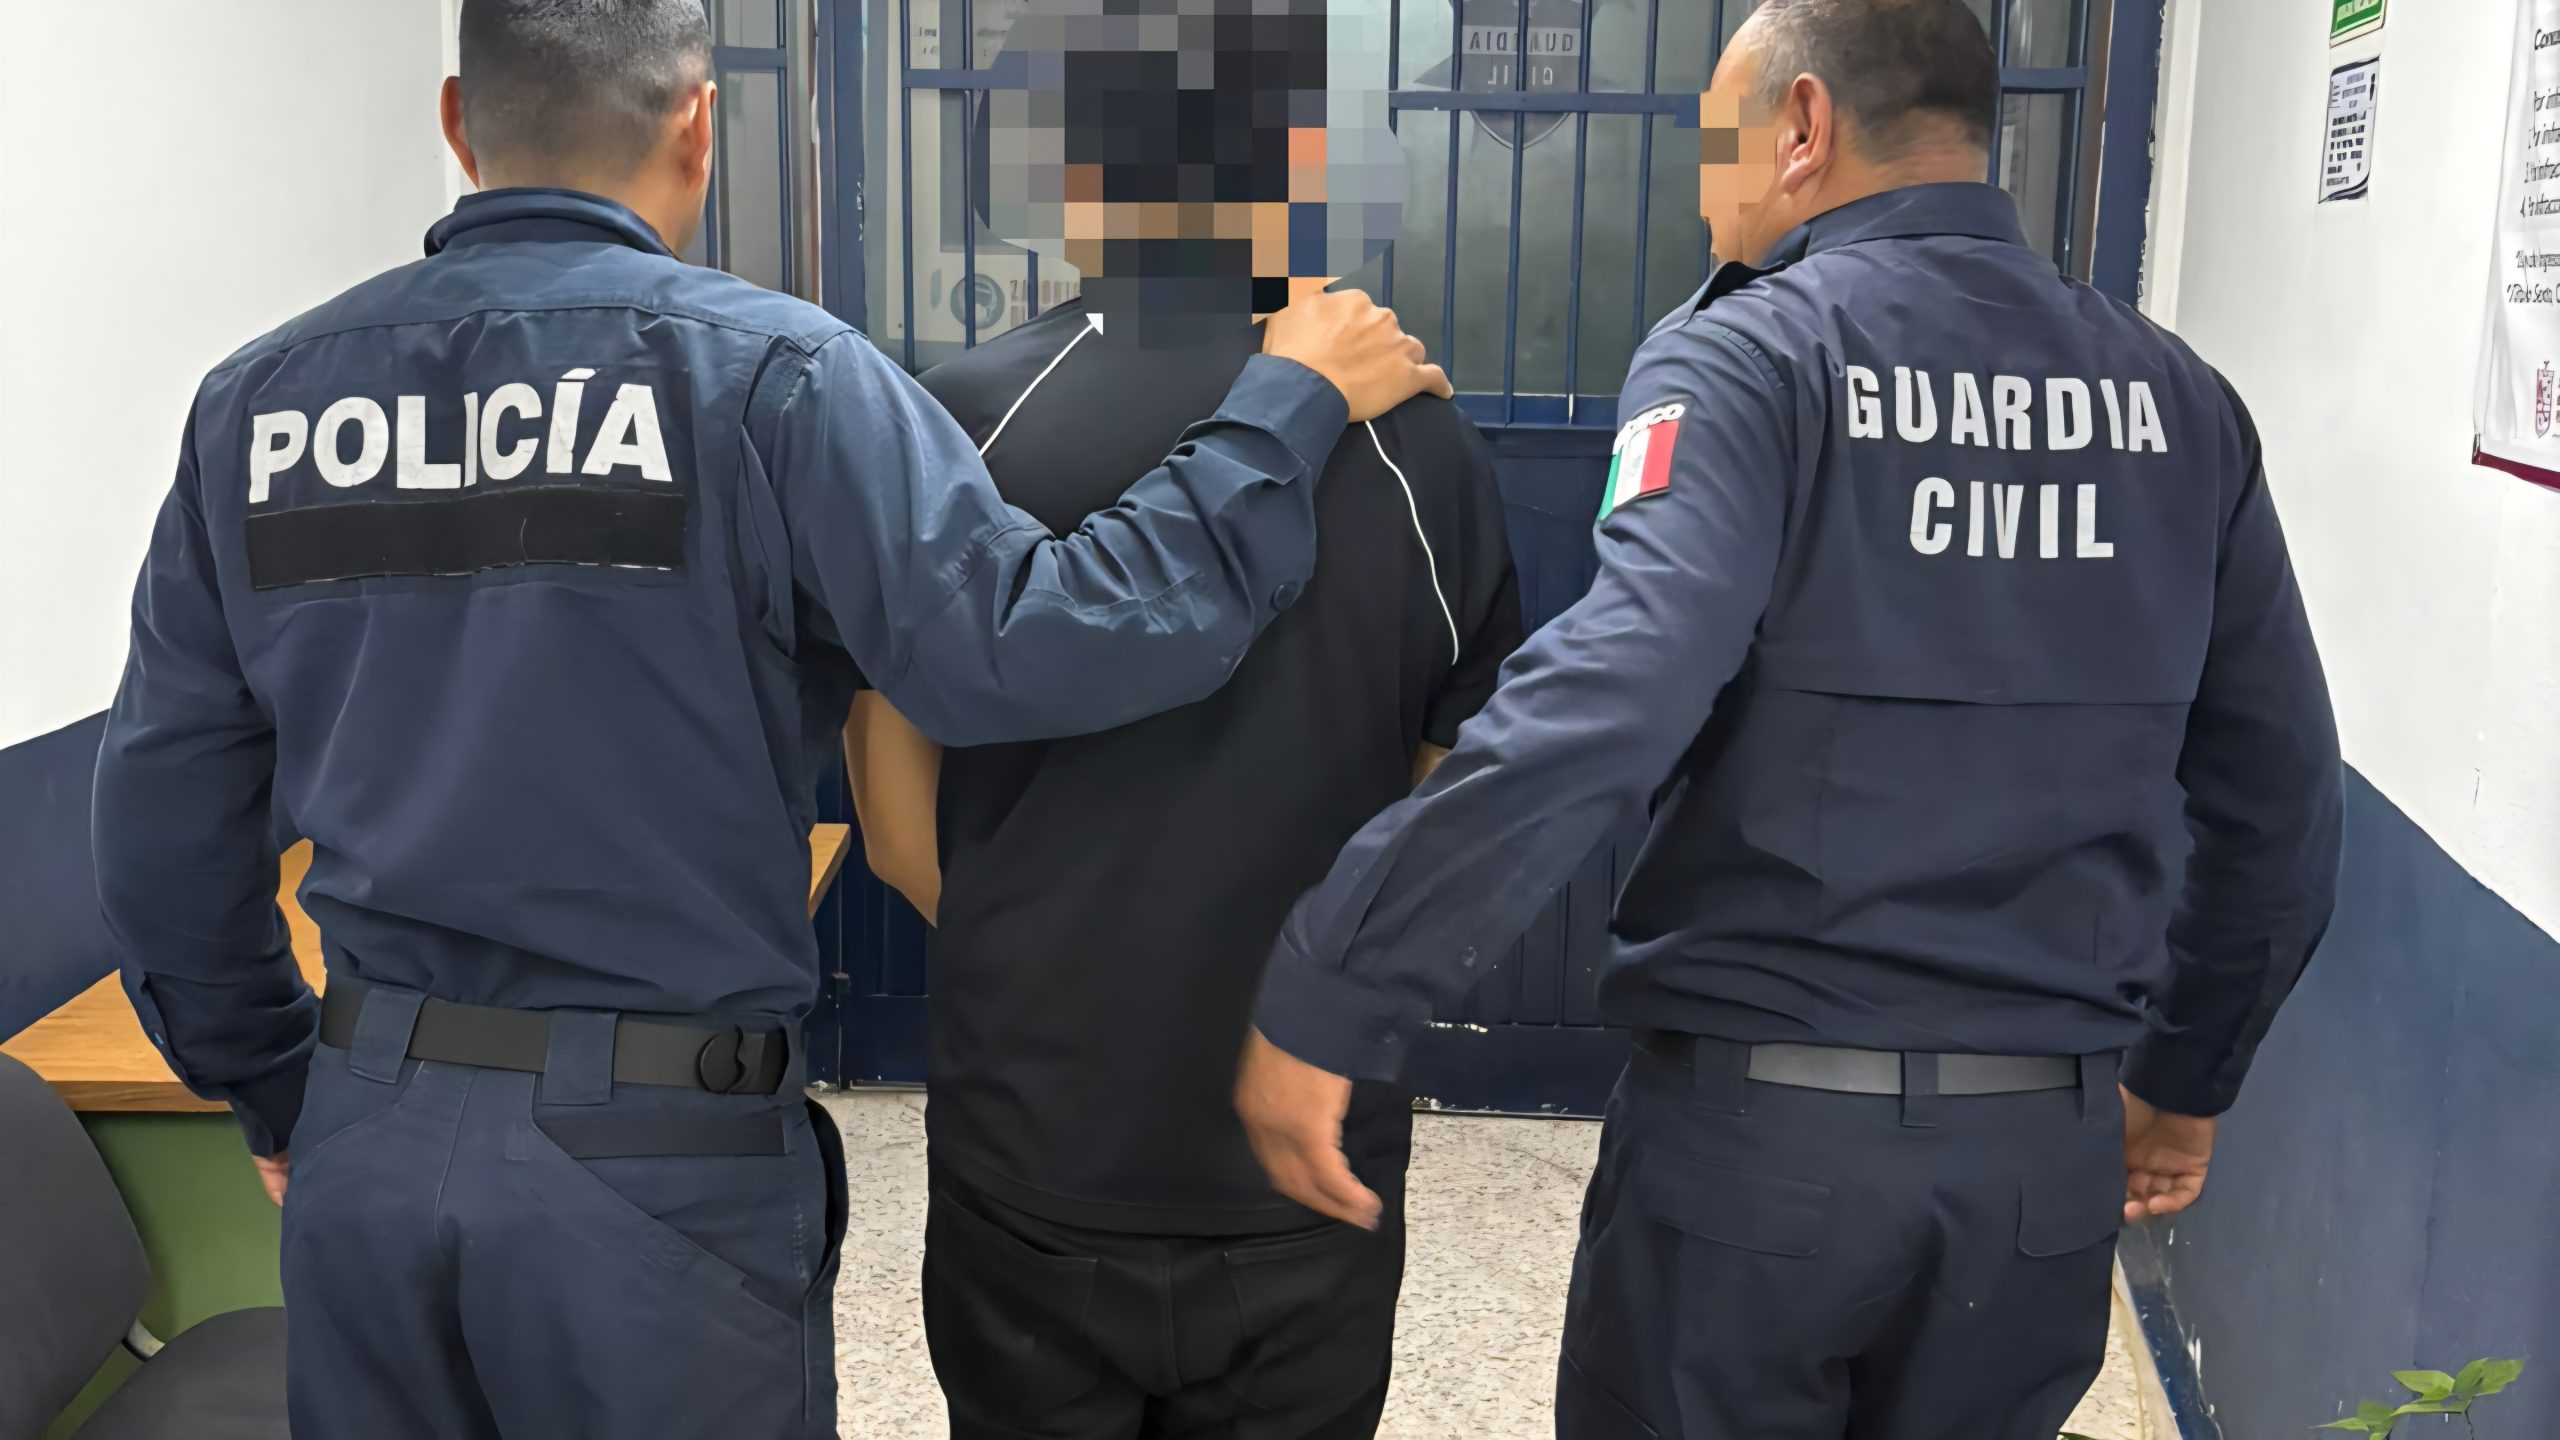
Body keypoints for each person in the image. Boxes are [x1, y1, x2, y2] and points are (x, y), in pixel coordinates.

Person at [87, 0, 1449, 1435]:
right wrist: (1281, 410)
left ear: (456, 123)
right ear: (699, 123)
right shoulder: (770, 379)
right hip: (653, 1157)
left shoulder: (253, 407)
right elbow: (1037, 647)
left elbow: (161, 831)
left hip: (370, 1135)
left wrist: (282, 1092)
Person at [1232, 1, 2345, 1436]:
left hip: (1761, 1168)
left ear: (1804, 128)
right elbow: (2283, 801)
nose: (1707, 193)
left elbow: (1616, 690)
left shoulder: (1754, 356)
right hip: (2038, 1174)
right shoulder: (2183, 401)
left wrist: (1341, 972)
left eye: (1718, 141)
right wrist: (2188, 1075)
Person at [840, 4, 1522, 1435]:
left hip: (1035, 1142)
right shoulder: (1418, 440)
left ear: (1071, 171)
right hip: (1305, 1160)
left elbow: (893, 808)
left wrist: (1041, 945)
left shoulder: (960, 419)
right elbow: (1445, 794)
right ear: (1293, 167)